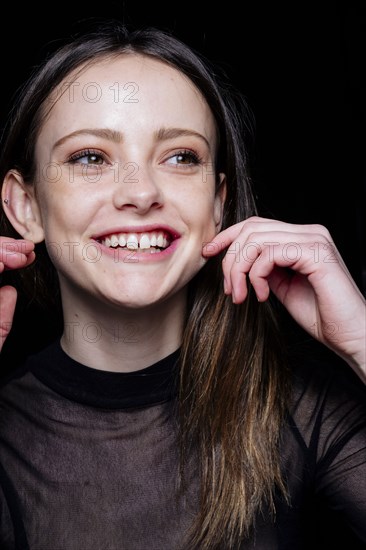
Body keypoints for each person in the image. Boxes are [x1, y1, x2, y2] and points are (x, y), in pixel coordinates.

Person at [0, 20, 365, 550]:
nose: (141, 191)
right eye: (90, 158)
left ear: (218, 205)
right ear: (25, 207)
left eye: (180, 157)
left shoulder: (305, 414)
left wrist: (361, 339)